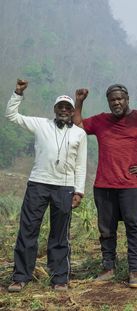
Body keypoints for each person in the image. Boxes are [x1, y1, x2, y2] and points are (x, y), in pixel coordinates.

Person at [73, 84, 137, 288]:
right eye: (113, 100)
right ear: (109, 102)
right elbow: (78, 126)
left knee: (134, 227)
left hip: (132, 185)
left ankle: (136, 270)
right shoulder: (102, 120)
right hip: (104, 185)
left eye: (120, 98)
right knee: (106, 229)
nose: (117, 102)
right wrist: (79, 102)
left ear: (127, 98)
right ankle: (108, 267)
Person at [5, 79, 87, 292]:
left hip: (65, 187)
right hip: (38, 184)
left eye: (67, 107)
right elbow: (11, 116)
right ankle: (20, 277)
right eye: (60, 106)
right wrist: (18, 93)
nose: (63, 110)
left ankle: (59, 278)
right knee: (28, 230)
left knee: (60, 234)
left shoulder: (79, 133)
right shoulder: (41, 124)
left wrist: (79, 191)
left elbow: (81, 165)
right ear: (54, 109)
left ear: (71, 111)